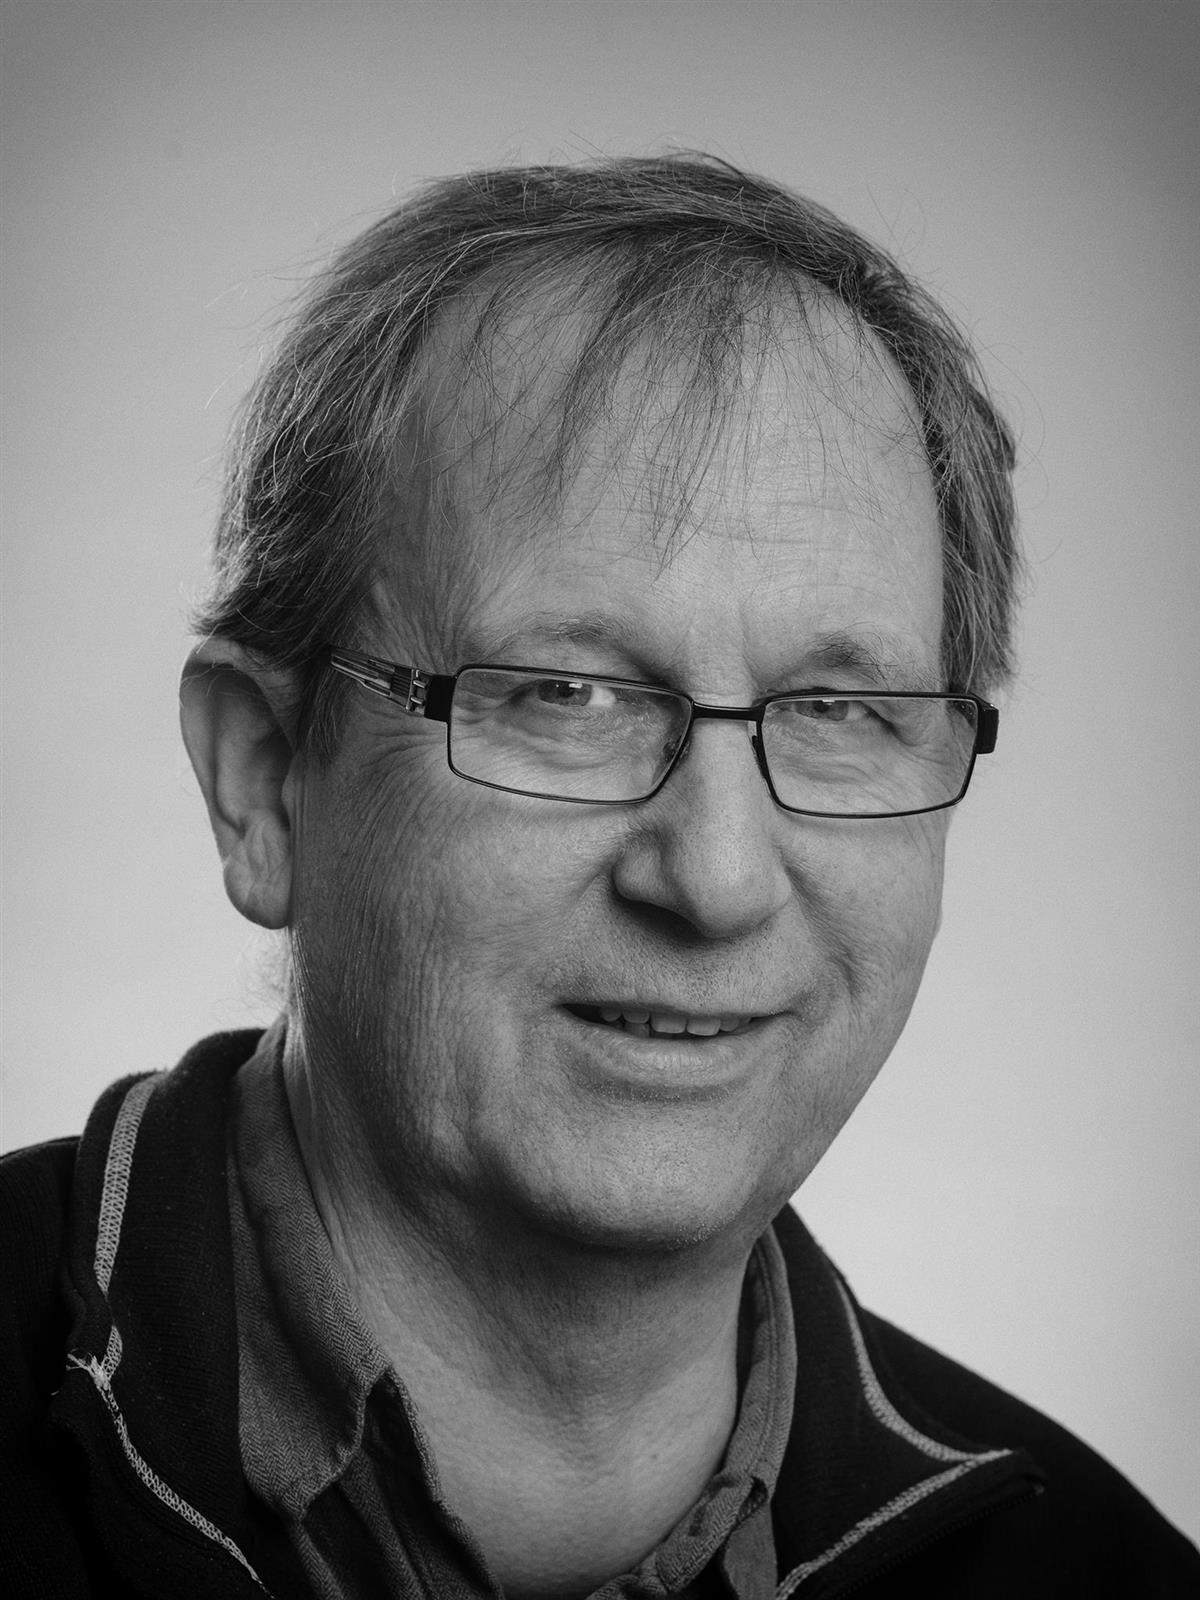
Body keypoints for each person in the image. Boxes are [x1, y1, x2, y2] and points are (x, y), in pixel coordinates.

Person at [3, 155, 1196, 1599]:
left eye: (837, 711)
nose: (717, 878)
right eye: (569, 695)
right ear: (264, 782)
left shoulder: (1101, 1578)